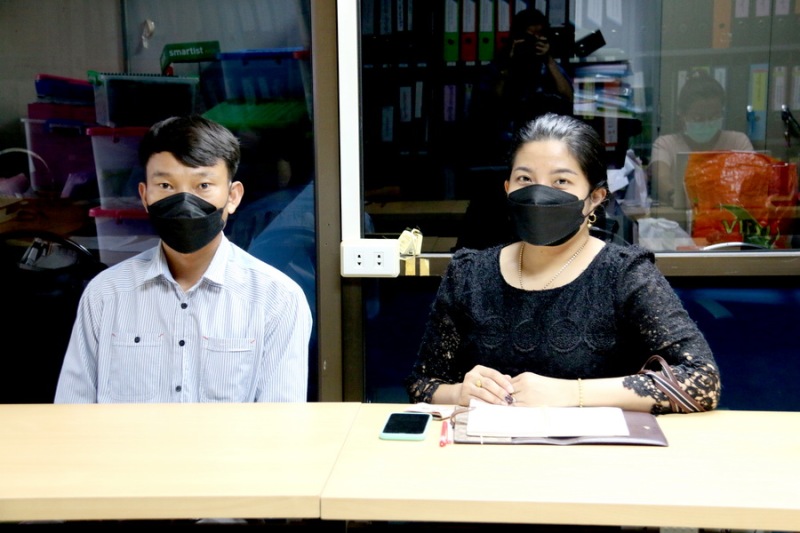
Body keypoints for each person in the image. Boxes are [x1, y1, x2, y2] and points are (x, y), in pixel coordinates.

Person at [406, 113, 720, 413]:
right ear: (507, 189)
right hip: (489, 445)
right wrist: (459, 393)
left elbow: (702, 381)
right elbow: (422, 384)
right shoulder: (468, 274)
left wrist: (571, 393)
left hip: (597, 449)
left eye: (561, 181)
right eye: (525, 178)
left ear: (595, 198)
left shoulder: (625, 274)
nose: (539, 194)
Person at [54, 115, 312, 403]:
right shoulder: (105, 294)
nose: (184, 202)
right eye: (166, 186)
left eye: (203, 185)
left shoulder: (277, 300)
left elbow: (280, 421)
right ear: (145, 196)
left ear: (232, 196)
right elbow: (73, 410)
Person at [649, 71, 753, 206]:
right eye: (698, 118)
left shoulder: (738, 142)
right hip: (681, 216)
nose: (707, 122)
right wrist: (675, 196)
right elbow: (661, 177)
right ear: (682, 114)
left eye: (714, 116)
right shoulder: (666, 144)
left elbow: (752, 179)